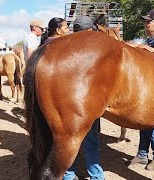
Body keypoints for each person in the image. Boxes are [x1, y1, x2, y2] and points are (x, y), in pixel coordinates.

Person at [128, 9, 154, 172]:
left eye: (148, 22)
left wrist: (141, 47)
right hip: (148, 86)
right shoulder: (150, 38)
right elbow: (133, 45)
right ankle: (142, 153)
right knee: (143, 123)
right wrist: (140, 46)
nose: (145, 24)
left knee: (151, 125)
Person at [63, 15, 104, 180]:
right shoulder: (94, 48)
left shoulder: (63, 47)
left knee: (66, 139)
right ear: (88, 31)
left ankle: (68, 174)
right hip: (86, 104)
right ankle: (96, 175)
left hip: (65, 102)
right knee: (91, 139)